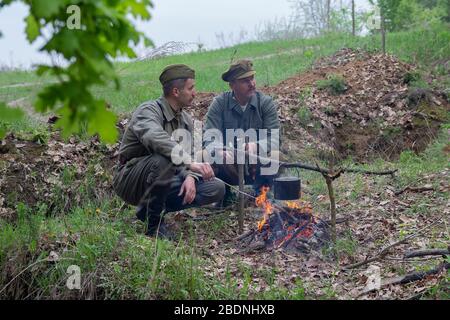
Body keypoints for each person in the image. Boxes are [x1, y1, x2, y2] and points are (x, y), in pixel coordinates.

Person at [113, 64, 225, 239]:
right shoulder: (148, 111)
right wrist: (189, 162)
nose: (195, 93)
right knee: (163, 160)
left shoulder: (186, 120)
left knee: (215, 187)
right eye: (191, 88)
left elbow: (195, 152)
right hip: (131, 179)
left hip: (164, 177)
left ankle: (149, 210)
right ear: (175, 92)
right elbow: (156, 138)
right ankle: (153, 225)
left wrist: (190, 176)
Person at [203, 59, 280, 205]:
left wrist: (256, 145)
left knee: (277, 156)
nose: (252, 84)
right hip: (230, 164)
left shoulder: (265, 103)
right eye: (245, 81)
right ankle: (225, 194)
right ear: (232, 85)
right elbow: (209, 137)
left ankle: (263, 194)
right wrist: (220, 150)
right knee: (210, 156)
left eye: (252, 78)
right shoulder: (219, 104)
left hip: (256, 163)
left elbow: (275, 139)